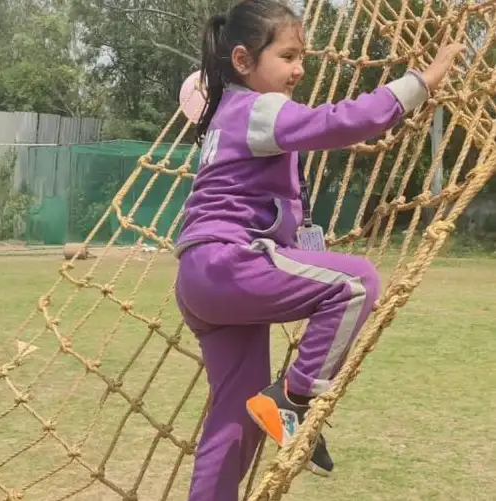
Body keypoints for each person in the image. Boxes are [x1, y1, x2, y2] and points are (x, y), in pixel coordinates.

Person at [173, 1, 465, 500]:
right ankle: (295, 397)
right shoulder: (259, 108)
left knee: (234, 419)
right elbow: (341, 121)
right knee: (357, 283)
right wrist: (422, 81)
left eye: (301, 57)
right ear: (243, 60)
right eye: (287, 56)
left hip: (199, 278)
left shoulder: (223, 115)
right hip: (229, 262)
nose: (300, 69)